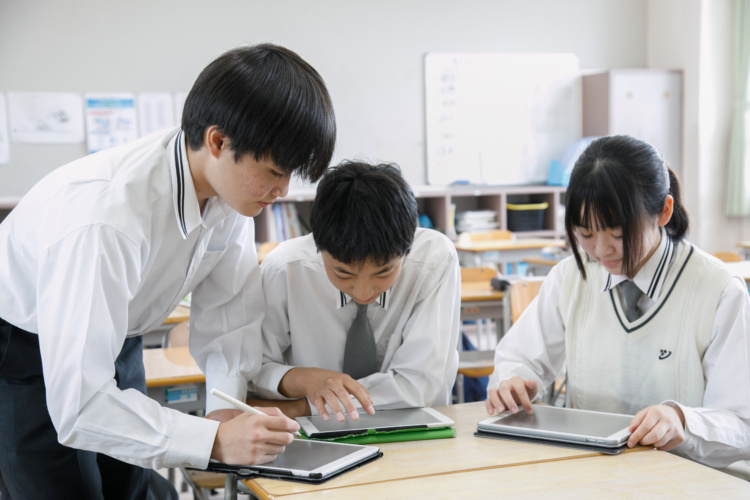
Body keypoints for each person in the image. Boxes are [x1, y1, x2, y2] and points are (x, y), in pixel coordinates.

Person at [0, 43, 336, 499]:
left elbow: (229, 322)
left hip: (120, 333)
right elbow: (80, 406)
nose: (281, 190)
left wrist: (224, 411)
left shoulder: (232, 194)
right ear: (218, 141)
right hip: (22, 347)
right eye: (275, 171)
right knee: (62, 489)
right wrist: (213, 441)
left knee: (131, 484)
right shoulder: (107, 219)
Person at [485, 135, 750, 472]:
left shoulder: (719, 291)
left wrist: (683, 420)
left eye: (618, 233)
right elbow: (518, 360)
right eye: (585, 233)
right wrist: (512, 383)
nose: (600, 250)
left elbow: (742, 425)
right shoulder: (571, 277)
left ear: (663, 211)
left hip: (691, 482)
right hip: (594, 476)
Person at [247, 161, 460, 422]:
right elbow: (253, 369)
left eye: (384, 272)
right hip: (307, 436)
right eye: (342, 273)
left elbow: (420, 384)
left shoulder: (434, 261)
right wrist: (307, 380)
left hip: (410, 427)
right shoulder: (285, 269)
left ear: (407, 249)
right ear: (318, 244)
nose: (363, 292)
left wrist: (305, 407)